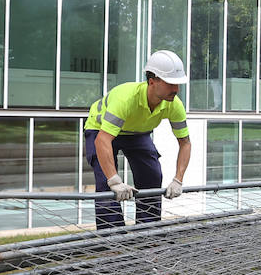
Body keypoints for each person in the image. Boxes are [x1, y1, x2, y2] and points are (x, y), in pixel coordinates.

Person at [82, 50, 192, 229]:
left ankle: (147, 233)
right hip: (100, 130)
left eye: (178, 84)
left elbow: (185, 143)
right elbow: (103, 140)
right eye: (171, 84)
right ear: (152, 82)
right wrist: (114, 180)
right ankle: (112, 239)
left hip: (137, 133)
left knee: (152, 175)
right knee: (106, 183)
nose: (176, 89)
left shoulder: (174, 104)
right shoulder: (126, 99)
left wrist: (178, 179)